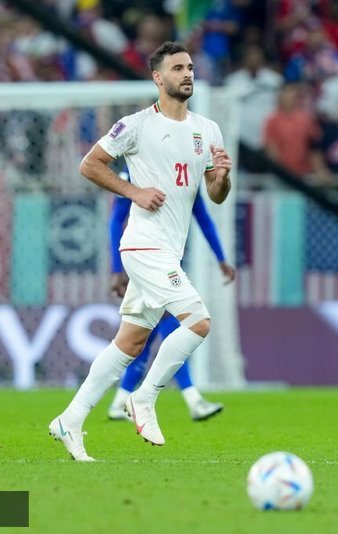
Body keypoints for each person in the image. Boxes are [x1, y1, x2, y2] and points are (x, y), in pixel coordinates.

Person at [48, 41, 232, 461]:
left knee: (129, 343)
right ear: (158, 78)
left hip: (169, 248)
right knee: (199, 321)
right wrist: (134, 191)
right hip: (144, 244)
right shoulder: (135, 126)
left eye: (190, 67)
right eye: (177, 68)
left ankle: (69, 420)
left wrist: (222, 177)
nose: (187, 74)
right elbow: (89, 164)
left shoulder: (207, 130)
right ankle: (145, 397)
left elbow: (215, 195)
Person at [105, 172, 235, 422]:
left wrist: (221, 258)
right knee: (174, 326)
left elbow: (204, 219)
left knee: (145, 335)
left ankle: (120, 401)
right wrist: (117, 270)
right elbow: (116, 221)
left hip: (170, 262)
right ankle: (193, 399)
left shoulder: (186, 172)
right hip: (146, 262)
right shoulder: (135, 172)